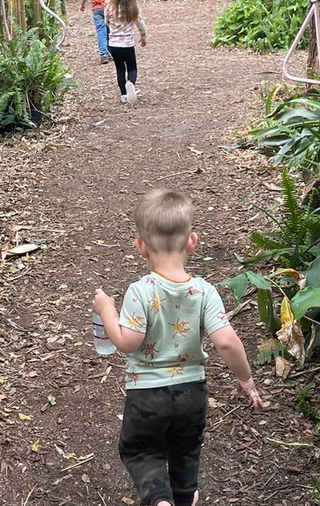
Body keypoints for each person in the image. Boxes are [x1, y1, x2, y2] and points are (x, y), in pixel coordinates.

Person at [92, 189, 264, 506]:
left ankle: (159, 499)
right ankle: (183, 496)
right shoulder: (205, 292)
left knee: (141, 450)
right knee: (186, 449)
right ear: (192, 242)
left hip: (147, 394)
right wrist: (246, 380)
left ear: (141, 247)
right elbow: (226, 341)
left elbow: (127, 343)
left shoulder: (139, 292)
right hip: (191, 393)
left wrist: (106, 311)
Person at [105, 0, 147, 104]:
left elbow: (106, 22)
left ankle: (123, 95)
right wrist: (143, 37)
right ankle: (131, 85)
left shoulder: (109, 8)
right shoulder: (132, 9)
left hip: (113, 44)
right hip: (127, 44)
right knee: (132, 68)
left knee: (120, 69)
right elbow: (141, 25)